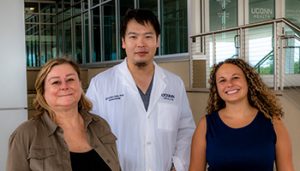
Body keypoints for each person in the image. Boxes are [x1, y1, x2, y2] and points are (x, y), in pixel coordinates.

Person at [86, 9, 195, 171]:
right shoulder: (100, 84)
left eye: (148, 36)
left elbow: (185, 130)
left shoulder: (174, 84)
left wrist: (177, 165)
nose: (141, 44)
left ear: (157, 41)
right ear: (123, 42)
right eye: (133, 36)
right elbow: (89, 132)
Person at [6, 58, 120, 171]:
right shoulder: (25, 135)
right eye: (56, 82)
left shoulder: (100, 125)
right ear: (43, 91)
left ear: (79, 85)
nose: (65, 86)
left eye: (70, 79)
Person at [189, 58, 295, 171]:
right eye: (222, 80)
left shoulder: (273, 122)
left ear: (248, 81)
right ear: (216, 88)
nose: (229, 84)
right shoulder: (206, 125)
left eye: (235, 77)